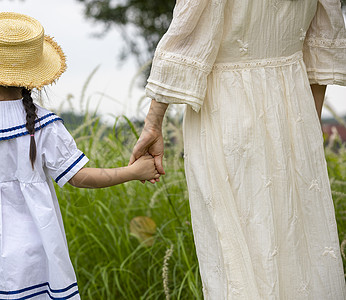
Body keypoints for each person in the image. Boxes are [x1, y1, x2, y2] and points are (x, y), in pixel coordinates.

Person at [129, 0, 346, 299]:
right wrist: (304, 125)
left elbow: (187, 37)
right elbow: (321, 48)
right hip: (293, 107)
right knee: (296, 245)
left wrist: (153, 122)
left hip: (227, 107)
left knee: (237, 251)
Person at [0, 12, 159, 299]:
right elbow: (80, 177)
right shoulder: (44, 125)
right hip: (32, 244)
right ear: (32, 77)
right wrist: (133, 172)